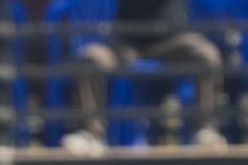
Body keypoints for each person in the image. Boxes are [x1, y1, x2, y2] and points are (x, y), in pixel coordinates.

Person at [62, 0, 225, 153]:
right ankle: (91, 134)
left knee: (206, 55)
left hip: (171, 40)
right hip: (126, 43)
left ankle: (205, 130)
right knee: (91, 59)